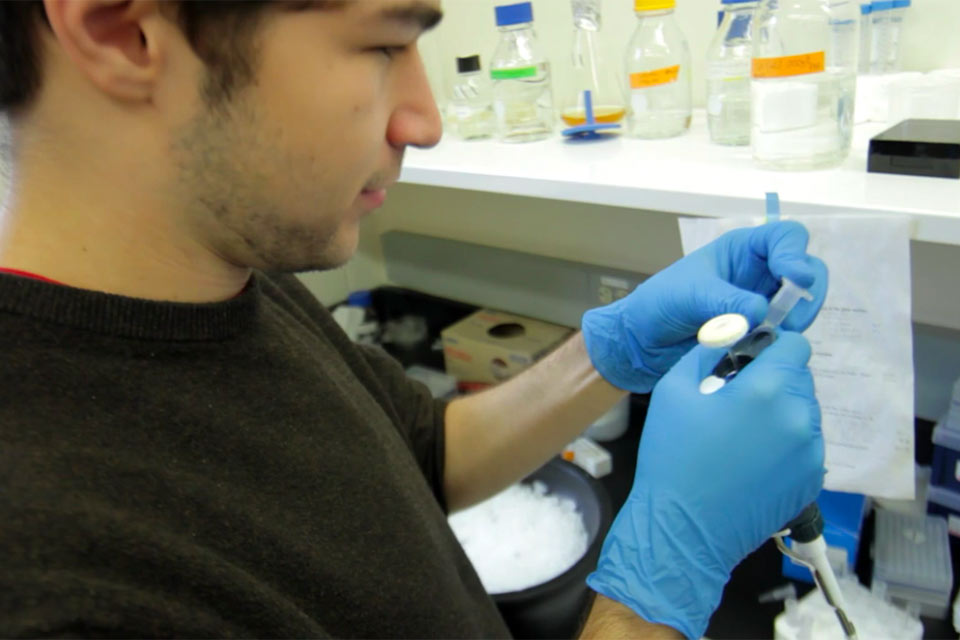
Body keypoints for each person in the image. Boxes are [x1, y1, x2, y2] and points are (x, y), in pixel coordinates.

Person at [0, 1, 827, 638]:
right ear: (121, 31)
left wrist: (612, 351)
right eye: (382, 45)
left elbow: (424, 456)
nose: (425, 121)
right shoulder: (51, 574)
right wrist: (662, 582)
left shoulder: (223, 272)